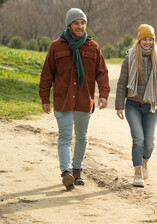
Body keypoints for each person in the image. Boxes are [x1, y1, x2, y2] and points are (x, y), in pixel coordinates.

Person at [39, 8, 110, 190]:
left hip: (83, 100)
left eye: (82, 23)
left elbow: (102, 73)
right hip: (63, 100)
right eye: (76, 23)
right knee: (64, 137)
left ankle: (77, 170)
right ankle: (66, 172)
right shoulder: (56, 46)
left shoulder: (93, 47)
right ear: (69, 25)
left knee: (82, 137)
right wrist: (44, 97)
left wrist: (103, 94)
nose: (80, 26)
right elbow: (47, 73)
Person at [115, 24, 157, 187]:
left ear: (153, 40)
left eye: (150, 40)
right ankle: (138, 171)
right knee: (138, 139)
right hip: (133, 104)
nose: (147, 42)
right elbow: (122, 83)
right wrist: (119, 105)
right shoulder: (130, 57)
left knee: (149, 142)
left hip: (151, 106)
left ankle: (145, 162)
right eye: (144, 39)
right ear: (139, 40)